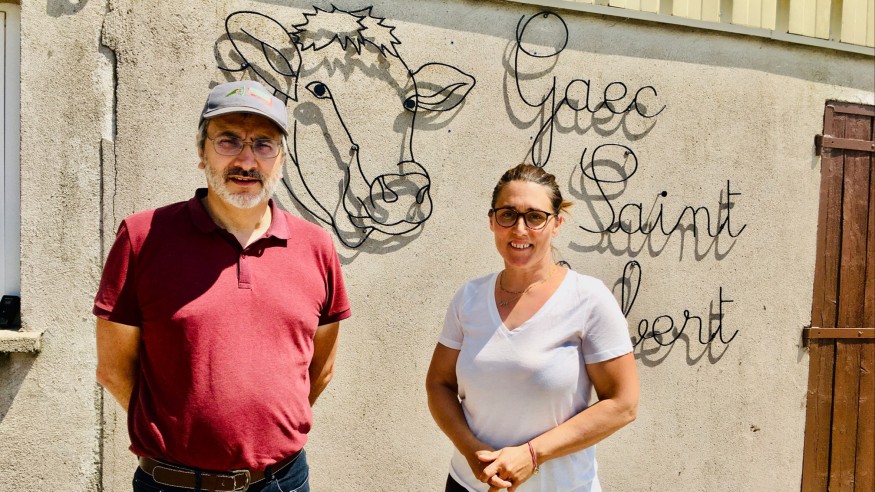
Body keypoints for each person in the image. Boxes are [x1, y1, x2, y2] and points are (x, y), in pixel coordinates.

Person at [93, 80, 351, 492]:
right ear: (201, 151)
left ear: (281, 159)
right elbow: (113, 368)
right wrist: (178, 435)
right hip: (172, 484)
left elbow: (321, 367)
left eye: (264, 144)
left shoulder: (316, 246)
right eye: (228, 141)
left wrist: (268, 434)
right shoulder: (143, 237)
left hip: (281, 482)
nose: (246, 160)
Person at [426, 164, 639, 492]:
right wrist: (471, 451)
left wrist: (532, 454)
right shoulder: (468, 298)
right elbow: (439, 384)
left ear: (556, 224)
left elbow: (623, 404)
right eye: (507, 215)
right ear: (492, 221)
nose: (520, 229)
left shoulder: (588, 299)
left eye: (535, 217)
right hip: (468, 486)